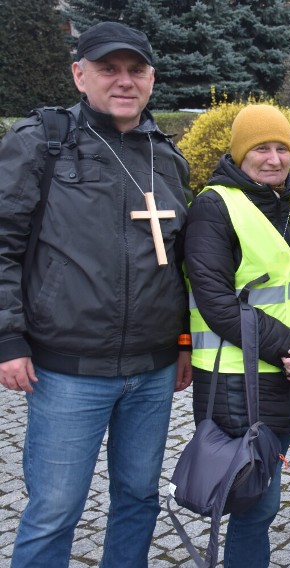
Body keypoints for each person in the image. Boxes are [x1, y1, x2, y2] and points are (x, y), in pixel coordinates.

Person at [0, 21, 193, 568]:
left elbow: (182, 263)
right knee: (55, 509)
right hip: (67, 369)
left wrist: (182, 341)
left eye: (136, 70)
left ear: (152, 78)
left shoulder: (167, 158)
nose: (124, 80)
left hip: (152, 370)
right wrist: (8, 337)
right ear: (79, 74)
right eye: (109, 68)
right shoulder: (42, 140)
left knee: (138, 498)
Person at [184, 104, 290, 567]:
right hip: (236, 379)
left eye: (281, 148)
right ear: (239, 153)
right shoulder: (214, 206)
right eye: (260, 149)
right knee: (255, 500)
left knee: (257, 493)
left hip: (288, 372)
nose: (273, 158)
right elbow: (215, 301)